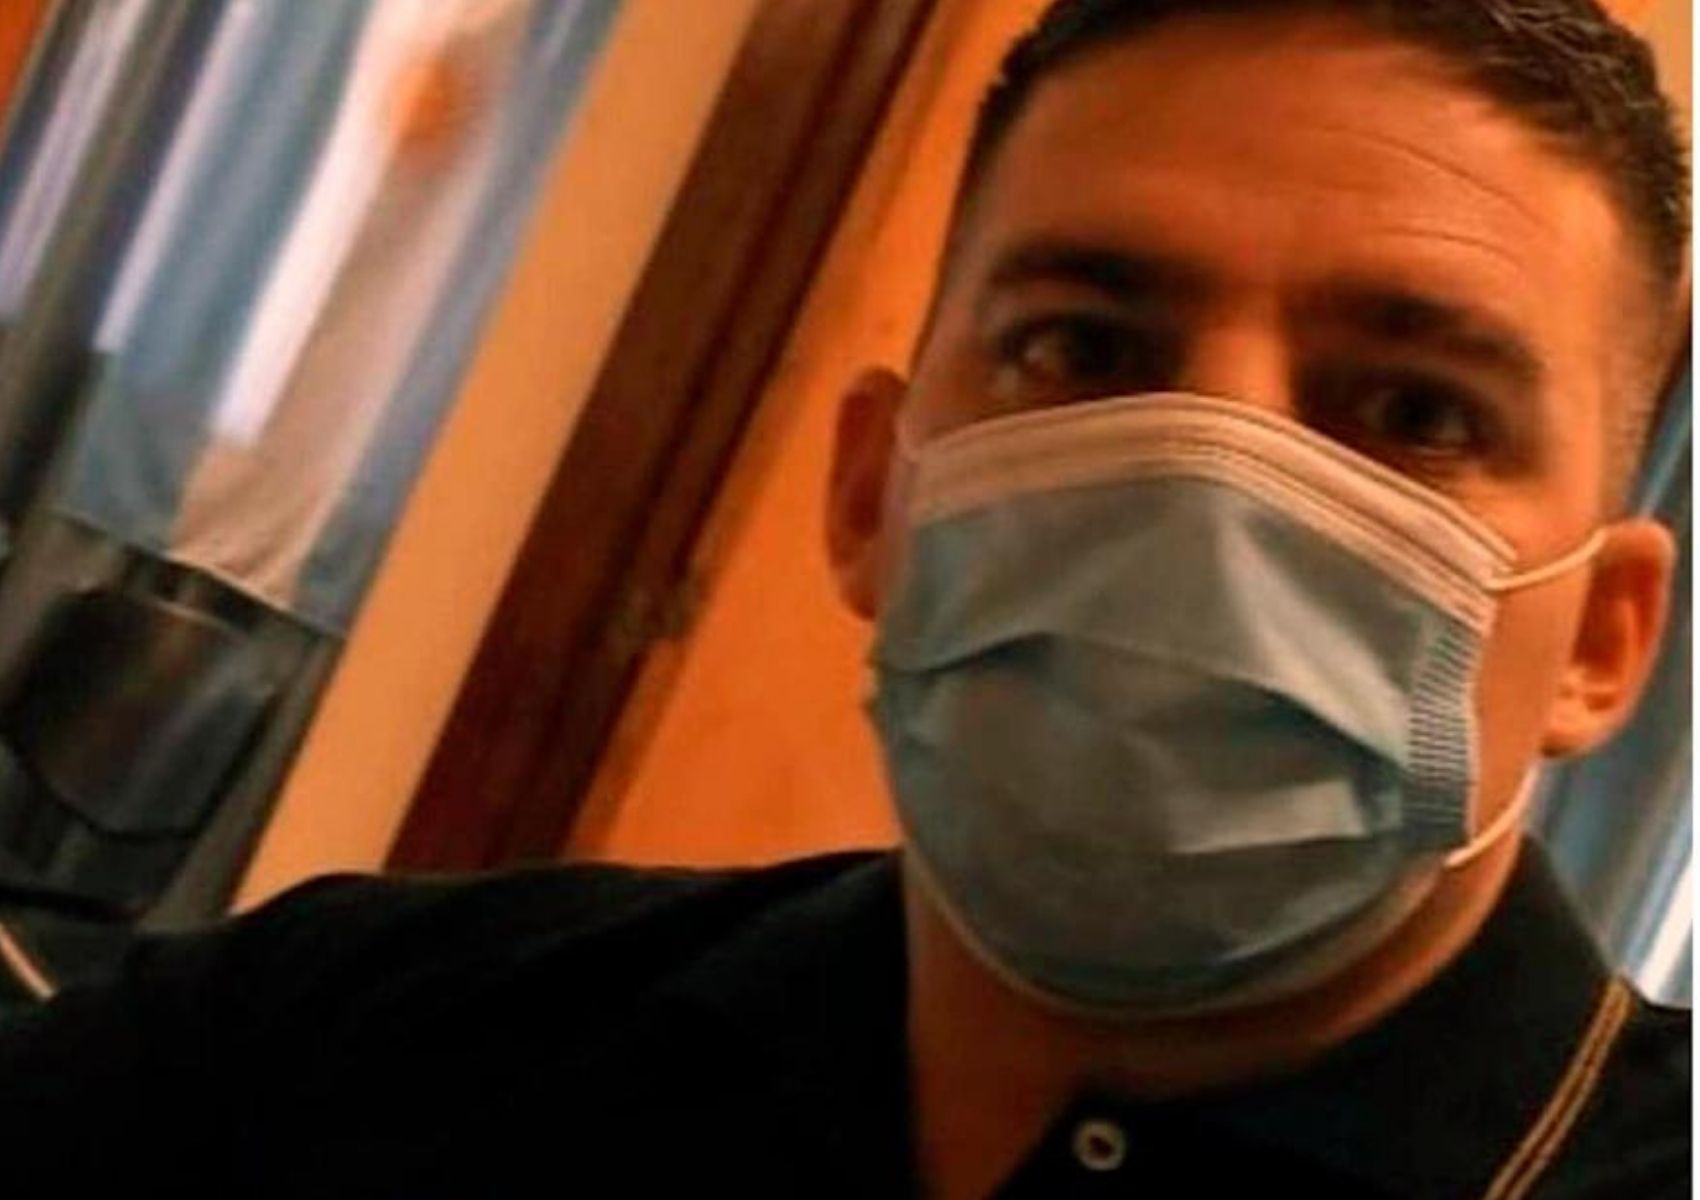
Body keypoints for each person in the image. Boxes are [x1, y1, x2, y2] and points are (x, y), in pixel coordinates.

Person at [0, 0, 1690, 1195]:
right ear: (874, 492)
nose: (1212, 485)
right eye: (1081, 349)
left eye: (1413, 412)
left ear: (1602, 641)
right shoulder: (342, 1040)